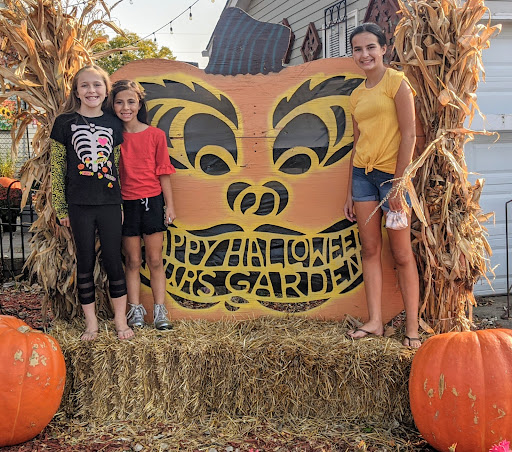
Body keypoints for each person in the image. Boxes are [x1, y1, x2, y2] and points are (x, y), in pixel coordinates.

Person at [343, 23, 421, 348]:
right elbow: (357, 143)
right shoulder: (356, 95)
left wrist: (399, 184)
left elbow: (410, 135)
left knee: (401, 254)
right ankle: (375, 322)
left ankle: (412, 329)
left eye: (370, 47)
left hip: (392, 179)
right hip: (363, 177)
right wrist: (349, 191)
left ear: (384, 48)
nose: (364, 54)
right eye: (358, 49)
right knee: (370, 249)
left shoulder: (396, 82)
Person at [50, 65, 134, 341]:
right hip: (79, 205)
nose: (91, 90)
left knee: (114, 260)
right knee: (84, 261)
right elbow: (57, 168)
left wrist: (120, 205)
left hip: (109, 203)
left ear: (106, 91)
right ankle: (91, 324)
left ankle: (120, 321)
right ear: (76, 91)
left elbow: (116, 167)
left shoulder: (114, 123)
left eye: (97, 85)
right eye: (84, 85)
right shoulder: (64, 123)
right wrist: (61, 207)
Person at [108, 79, 176, 330]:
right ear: (113, 105)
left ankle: (160, 311)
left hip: (152, 202)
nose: (125, 107)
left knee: (155, 259)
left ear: (139, 104)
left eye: (131, 102)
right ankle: (135, 310)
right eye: (119, 102)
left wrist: (169, 205)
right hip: (125, 205)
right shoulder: (112, 138)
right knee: (133, 260)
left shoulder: (155, 135)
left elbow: (163, 172)